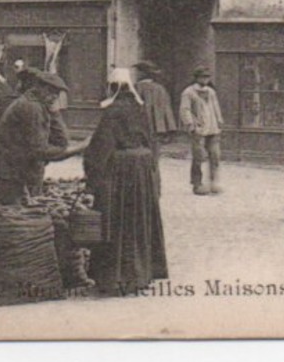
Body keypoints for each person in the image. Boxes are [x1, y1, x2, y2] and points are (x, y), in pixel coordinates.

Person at [84, 68, 169, 295]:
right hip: (142, 171)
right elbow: (151, 142)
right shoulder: (140, 109)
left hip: (122, 172)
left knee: (118, 219)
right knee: (139, 219)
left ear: (113, 87)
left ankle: (117, 277)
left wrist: (91, 179)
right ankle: (141, 274)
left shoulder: (113, 111)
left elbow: (100, 149)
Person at [0, 69, 87, 206]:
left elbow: (62, 142)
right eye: (51, 91)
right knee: (13, 216)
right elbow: (40, 151)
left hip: (14, 170)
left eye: (57, 93)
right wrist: (79, 148)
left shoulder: (38, 104)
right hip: (7, 171)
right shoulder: (31, 107)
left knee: (22, 214)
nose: (54, 97)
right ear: (39, 88)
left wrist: (55, 113)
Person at [178, 66, 224, 196]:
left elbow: (216, 107)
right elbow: (185, 109)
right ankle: (197, 184)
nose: (205, 79)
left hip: (213, 128)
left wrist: (219, 120)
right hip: (199, 129)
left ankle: (213, 182)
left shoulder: (211, 92)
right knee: (199, 157)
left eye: (207, 77)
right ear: (196, 78)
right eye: (202, 77)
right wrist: (190, 124)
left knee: (215, 156)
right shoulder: (189, 92)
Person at [134, 61, 178, 142]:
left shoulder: (138, 87)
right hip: (159, 126)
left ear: (142, 73)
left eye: (138, 71)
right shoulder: (160, 88)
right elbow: (167, 108)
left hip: (143, 124)